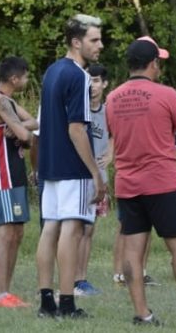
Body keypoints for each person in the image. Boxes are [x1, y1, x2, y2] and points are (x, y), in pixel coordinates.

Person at [108, 36, 176, 327]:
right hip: (162, 183)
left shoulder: (112, 98)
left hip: (127, 184)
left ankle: (142, 313)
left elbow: (115, 136)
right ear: (153, 64)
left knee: (133, 251)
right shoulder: (167, 94)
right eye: (158, 63)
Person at [35, 13, 107, 319]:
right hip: (72, 166)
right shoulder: (79, 75)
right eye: (94, 40)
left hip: (50, 166)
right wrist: (95, 173)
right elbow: (77, 129)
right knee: (72, 230)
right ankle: (67, 303)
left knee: (50, 228)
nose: (100, 45)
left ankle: (46, 302)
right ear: (76, 42)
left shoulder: (52, 71)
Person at [0, 57, 38, 308]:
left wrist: (19, 125)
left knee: (17, 232)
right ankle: (0, 294)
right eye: (26, 77)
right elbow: (27, 136)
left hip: (15, 171)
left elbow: (34, 123)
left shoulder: (10, 101)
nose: (27, 81)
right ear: (14, 79)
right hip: (3, 172)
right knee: (6, 231)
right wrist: (19, 127)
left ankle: (7, 292)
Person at [73, 64, 111, 297]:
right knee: (77, 229)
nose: (92, 85)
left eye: (96, 80)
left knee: (89, 230)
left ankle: (81, 279)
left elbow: (117, 133)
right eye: (88, 80)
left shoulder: (110, 110)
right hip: (79, 177)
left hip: (100, 180)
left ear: (105, 83)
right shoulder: (79, 109)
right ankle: (74, 279)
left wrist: (112, 153)